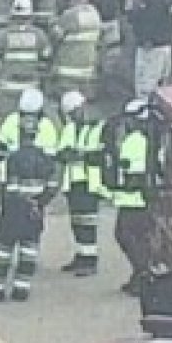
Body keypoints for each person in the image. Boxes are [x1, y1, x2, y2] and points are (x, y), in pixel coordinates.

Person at [0, 112, 59, 302]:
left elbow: (11, 188)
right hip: (36, 213)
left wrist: (15, 206)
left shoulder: (14, 158)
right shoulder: (46, 159)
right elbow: (53, 186)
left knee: (3, 250)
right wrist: (39, 203)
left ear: (21, 134)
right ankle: (21, 289)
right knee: (28, 251)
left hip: (15, 213)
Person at [56, 90, 108, 276]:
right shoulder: (69, 129)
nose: (74, 116)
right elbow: (62, 153)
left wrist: (80, 154)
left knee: (88, 222)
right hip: (73, 181)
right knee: (76, 221)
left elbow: (101, 154)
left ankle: (90, 260)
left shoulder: (99, 128)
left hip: (90, 182)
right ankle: (81, 255)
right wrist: (78, 154)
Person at [113, 98, 156, 296]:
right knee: (135, 238)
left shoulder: (136, 140)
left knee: (128, 236)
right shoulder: (148, 138)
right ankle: (140, 274)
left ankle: (143, 275)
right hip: (139, 198)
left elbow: (131, 170)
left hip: (135, 199)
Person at [0, 0, 50, 117]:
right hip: (31, 86)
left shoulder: (2, 35)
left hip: (8, 86)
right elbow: (46, 60)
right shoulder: (39, 35)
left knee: (6, 122)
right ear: (31, 16)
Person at [127, 0, 172, 101]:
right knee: (161, 86)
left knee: (145, 87)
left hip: (150, 48)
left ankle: (142, 117)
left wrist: (131, 11)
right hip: (166, 46)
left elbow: (146, 21)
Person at [48, 0, 101, 102]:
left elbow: (55, 37)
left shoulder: (70, 15)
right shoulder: (94, 13)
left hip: (68, 72)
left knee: (67, 107)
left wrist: (52, 22)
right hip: (88, 71)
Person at [0, 87, 58, 184]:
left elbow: (50, 157)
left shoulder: (47, 125)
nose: (27, 119)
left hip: (36, 180)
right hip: (9, 178)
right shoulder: (11, 120)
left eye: (32, 115)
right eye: (23, 114)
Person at [84, 0, 125, 82]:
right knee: (93, 53)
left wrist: (121, 9)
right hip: (94, 21)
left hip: (111, 20)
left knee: (113, 54)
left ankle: (108, 82)